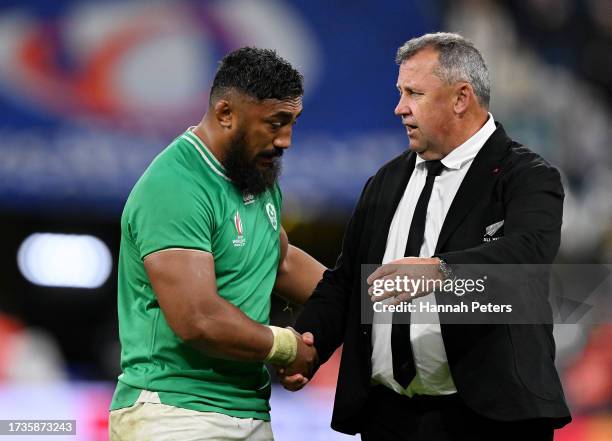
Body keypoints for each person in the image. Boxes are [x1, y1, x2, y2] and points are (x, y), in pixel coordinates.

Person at [281, 32, 572, 441]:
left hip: (489, 421)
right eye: (401, 92)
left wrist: (441, 271)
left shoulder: (525, 175)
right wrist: (307, 343)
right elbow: (348, 283)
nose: (400, 108)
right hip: (389, 419)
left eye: (414, 93)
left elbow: (527, 259)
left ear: (460, 98)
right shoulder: (384, 181)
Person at [108, 47, 324, 441]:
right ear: (226, 114)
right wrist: (287, 346)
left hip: (248, 407)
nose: (286, 140)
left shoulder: (254, 174)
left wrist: (373, 299)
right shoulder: (176, 186)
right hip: (175, 413)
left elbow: (281, 260)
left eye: (292, 122)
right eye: (276, 123)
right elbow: (198, 318)